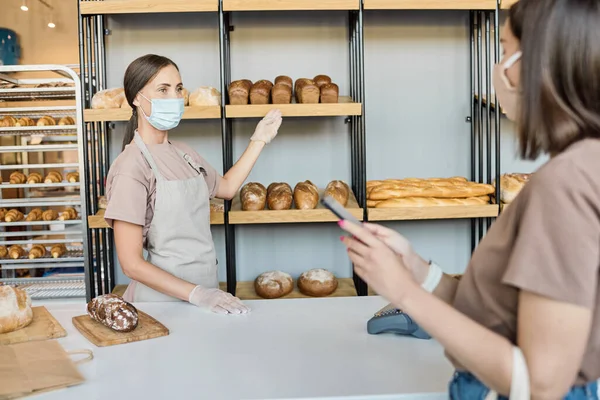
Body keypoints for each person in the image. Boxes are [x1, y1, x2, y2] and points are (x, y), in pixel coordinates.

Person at [339, 0, 600, 398]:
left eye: (504, 50)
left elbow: (542, 383)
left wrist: (402, 293)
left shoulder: (564, 185)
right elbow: (499, 317)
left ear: (541, 63)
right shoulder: (584, 163)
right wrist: (415, 268)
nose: (498, 68)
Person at [103, 54, 282, 315]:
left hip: (208, 295)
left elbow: (227, 188)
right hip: (161, 305)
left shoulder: (184, 153)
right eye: (162, 90)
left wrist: (258, 140)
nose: (174, 98)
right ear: (136, 98)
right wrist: (197, 294)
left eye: (178, 89)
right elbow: (130, 264)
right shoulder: (131, 166)